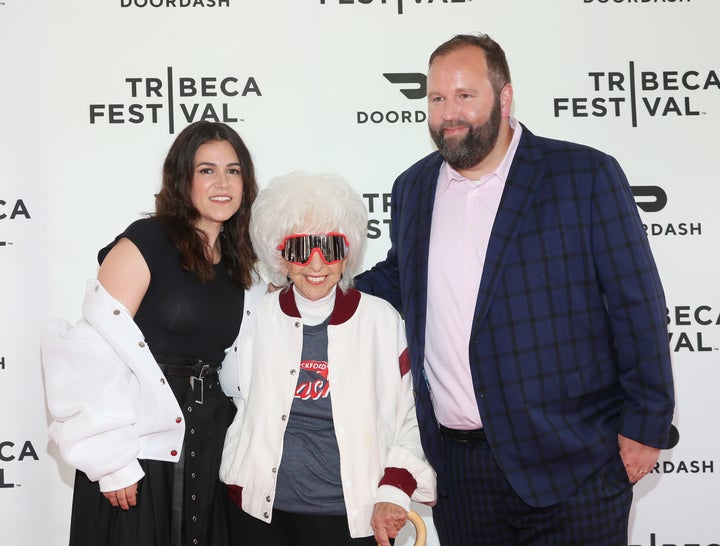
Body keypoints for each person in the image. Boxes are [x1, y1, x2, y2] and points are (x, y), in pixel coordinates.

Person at [354, 34, 675, 545]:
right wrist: (323, 283)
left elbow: (637, 305)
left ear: (504, 98)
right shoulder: (413, 187)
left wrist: (645, 428)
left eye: (465, 95)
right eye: (436, 98)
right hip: (461, 473)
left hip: (574, 465)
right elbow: (401, 277)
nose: (448, 113)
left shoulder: (583, 175)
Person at [42, 120, 265, 546]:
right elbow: (91, 350)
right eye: (207, 170)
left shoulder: (240, 263)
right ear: (182, 178)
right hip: (138, 449)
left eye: (233, 171)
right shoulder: (148, 240)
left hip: (206, 442)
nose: (222, 183)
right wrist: (111, 462)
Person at [218, 172, 436, 546]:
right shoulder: (254, 317)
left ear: (346, 253)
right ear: (281, 256)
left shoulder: (382, 320)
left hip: (352, 516)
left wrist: (395, 489)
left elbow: (414, 416)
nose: (316, 264)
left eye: (330, 247)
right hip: (258, 516)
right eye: (301, 248)